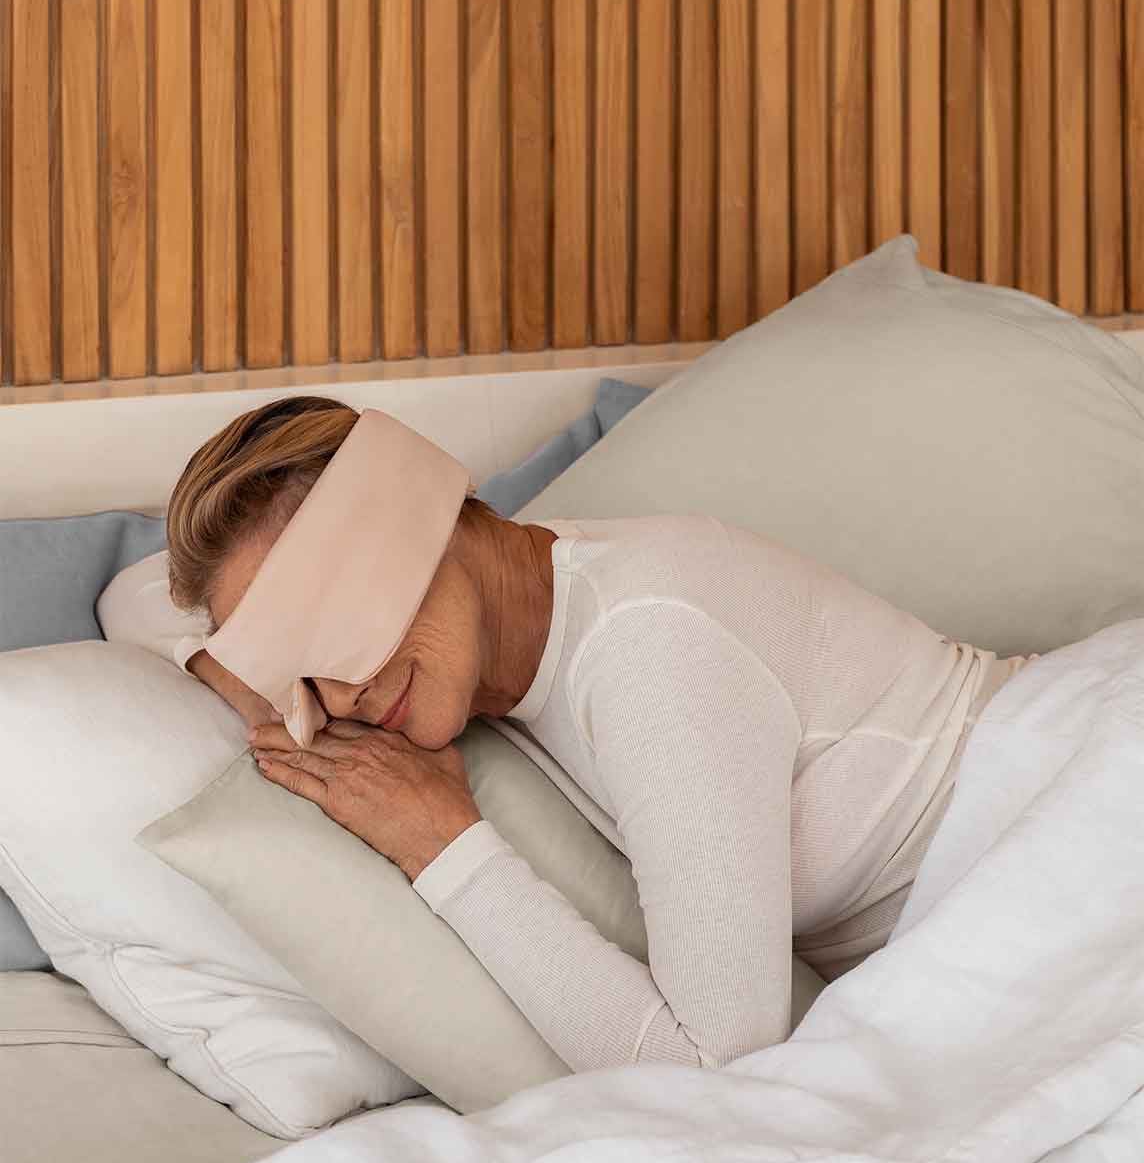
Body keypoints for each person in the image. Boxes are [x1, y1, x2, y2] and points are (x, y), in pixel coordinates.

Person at [105, 393, 1038, 1075]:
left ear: (429, 523)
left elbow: (721, 1070)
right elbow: (132, 600)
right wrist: (269, 679)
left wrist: (445, 848)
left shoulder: (648, 649)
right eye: (295, 668)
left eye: (341, 622)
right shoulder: (526, 607)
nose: (338, 699)